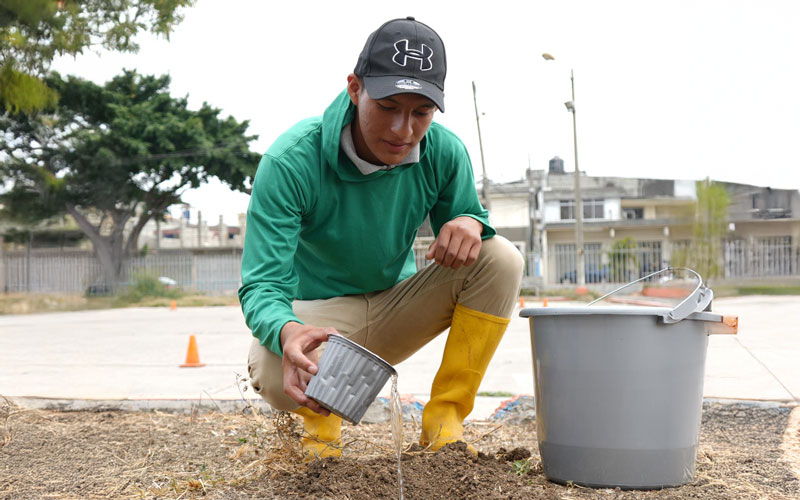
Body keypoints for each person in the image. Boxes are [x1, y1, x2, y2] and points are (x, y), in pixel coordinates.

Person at [240, 16, 524, 460]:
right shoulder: (291, 160)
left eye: (421, 113)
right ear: (355, 88)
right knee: (276, 372)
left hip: (397, 303)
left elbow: (473, 226)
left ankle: (445, 420)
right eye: (388, 107)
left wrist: (471, 221)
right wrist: (289, 331)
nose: (403, 131)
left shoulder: (444, 151)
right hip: (322, 318)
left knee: (502, 257)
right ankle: (320, 424)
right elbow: (261, 285)